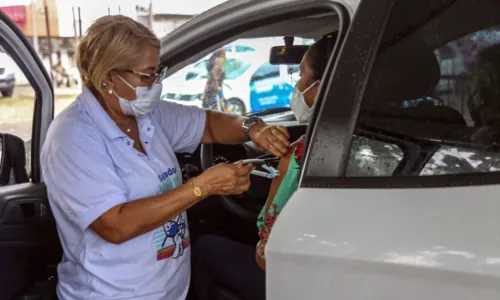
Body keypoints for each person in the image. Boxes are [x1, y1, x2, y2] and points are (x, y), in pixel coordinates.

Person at [40, 15, 291, 300]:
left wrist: (252, 128)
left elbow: (208, 125)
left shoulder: (146, 114)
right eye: (147, 76)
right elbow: (115, 224)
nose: (155, 83)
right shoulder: (72, 137)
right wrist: (202, 187)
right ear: (108, 77)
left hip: (167, 291)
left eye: (158, 72)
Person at [192, 35, 335, 300]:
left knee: (204, 248)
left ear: (323, 85)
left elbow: (266, 254)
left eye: (301, 75)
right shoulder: (391, 132)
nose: (297, 86)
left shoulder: (302, 153)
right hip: (333, 276)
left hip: (293, 284)